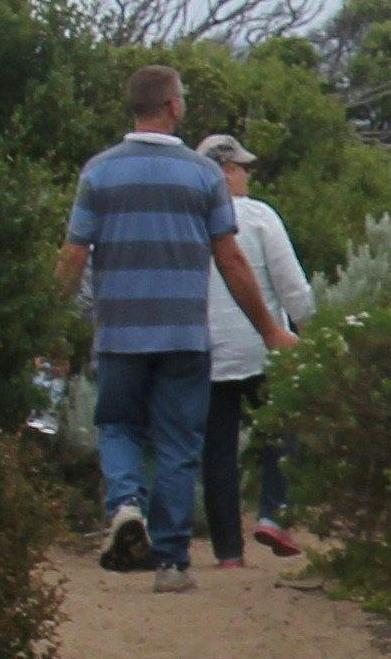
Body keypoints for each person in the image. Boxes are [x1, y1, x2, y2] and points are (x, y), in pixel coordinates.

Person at [57, 64, 291, 590]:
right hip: (185, 333)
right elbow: (229, 258)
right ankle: (170, 561)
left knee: (117, 425)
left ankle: (123, 505)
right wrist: (269, 329)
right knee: (178, 442)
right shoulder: (202, 174)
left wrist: (49, 320)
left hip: (118, 331)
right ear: (173, 106)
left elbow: (74, 254)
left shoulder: (98, 172)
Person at [192, 131, 315, 564]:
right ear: (226, 172)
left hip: (207, 353)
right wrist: (311, 330)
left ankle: (228, 551)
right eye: (243, 167)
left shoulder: (188, 218)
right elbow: (291, 284)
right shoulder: (259, 216)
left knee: (218, 451)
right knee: (283, 432)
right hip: (265, 348)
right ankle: (272, 515)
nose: (247, 175)